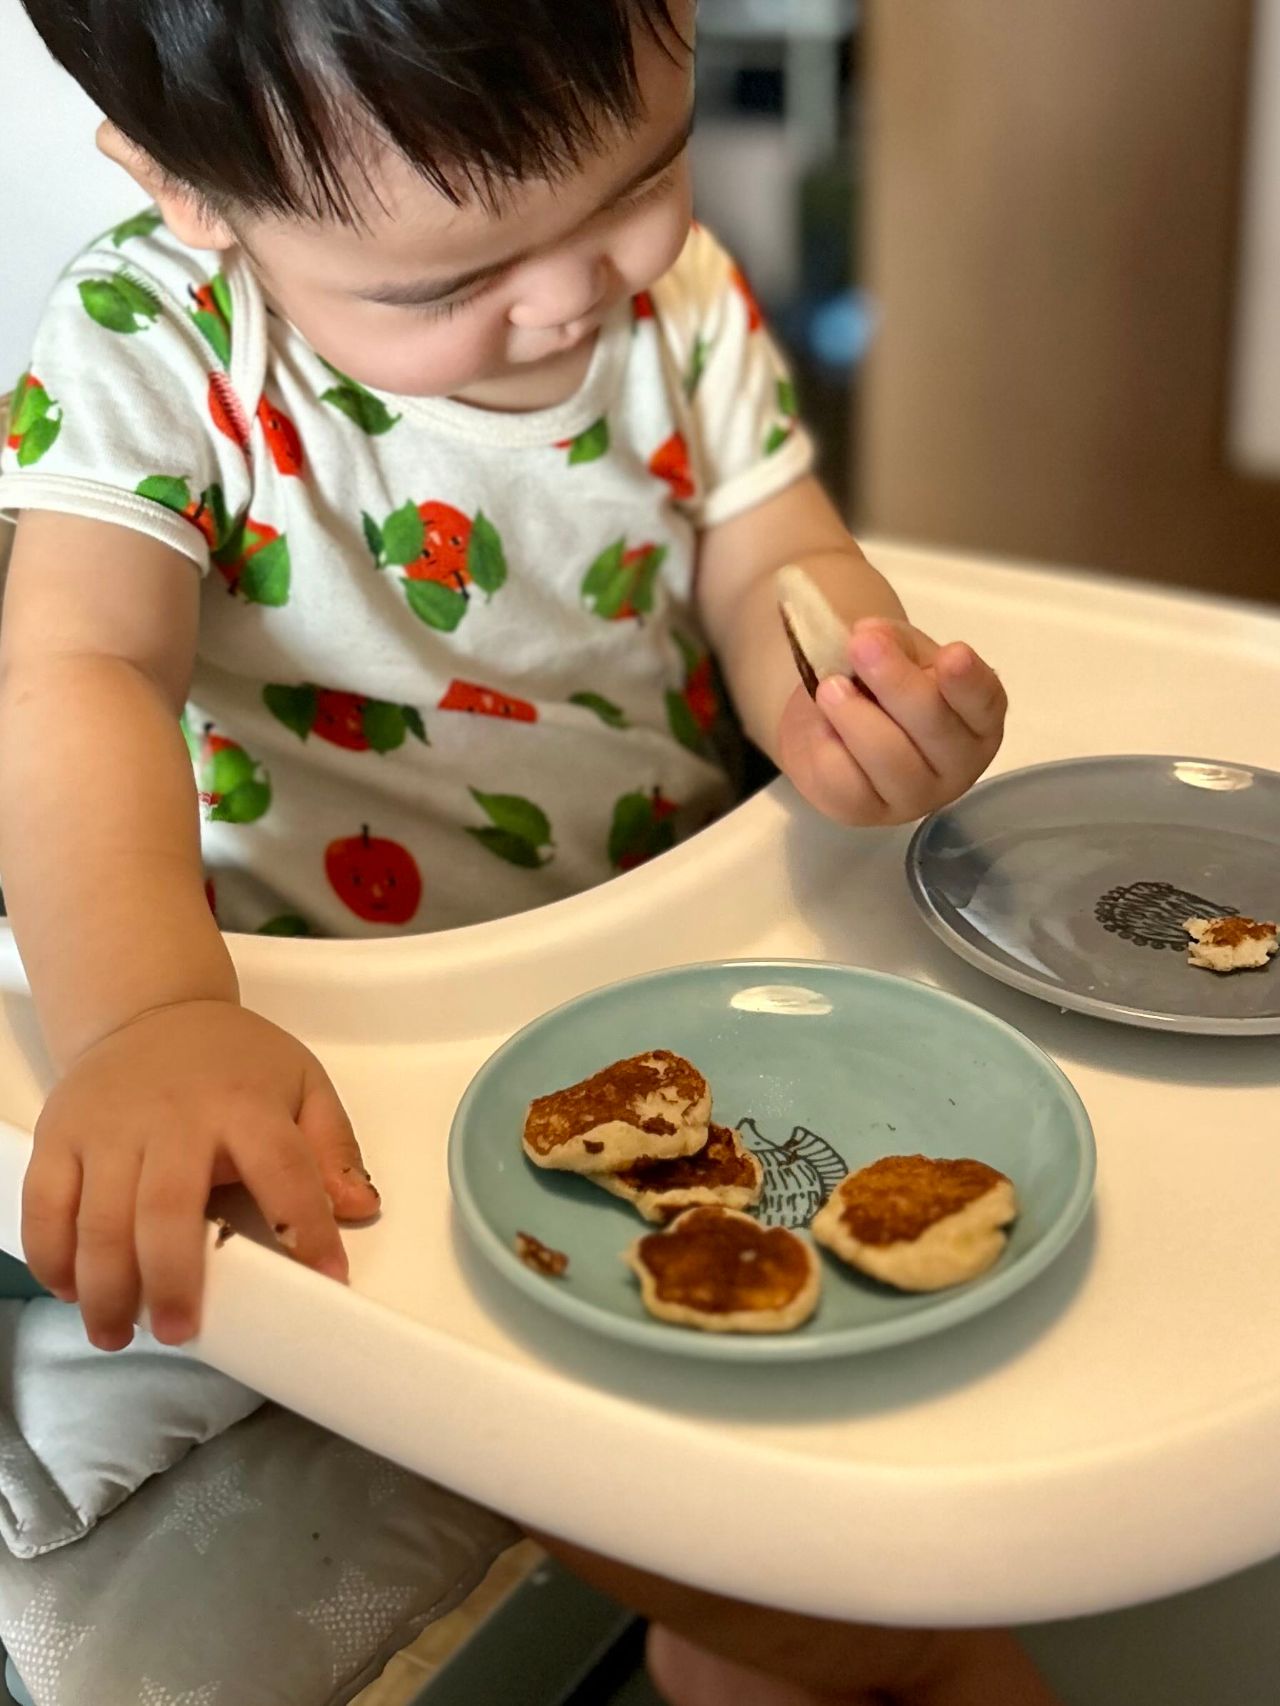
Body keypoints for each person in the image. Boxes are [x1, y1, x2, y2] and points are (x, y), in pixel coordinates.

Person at [0, 3, 1045, 1702]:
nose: (573, 290)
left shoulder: (678, 298)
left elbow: (768, 556)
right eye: (446, 284)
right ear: (187, 184)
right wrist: (146, 1016)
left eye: (638, 177)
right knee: (711, 1505)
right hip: (348, 1028)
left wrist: (853, 691)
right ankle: (867, 1640)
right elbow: (79, 670)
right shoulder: (156, 341)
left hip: (663, 963)